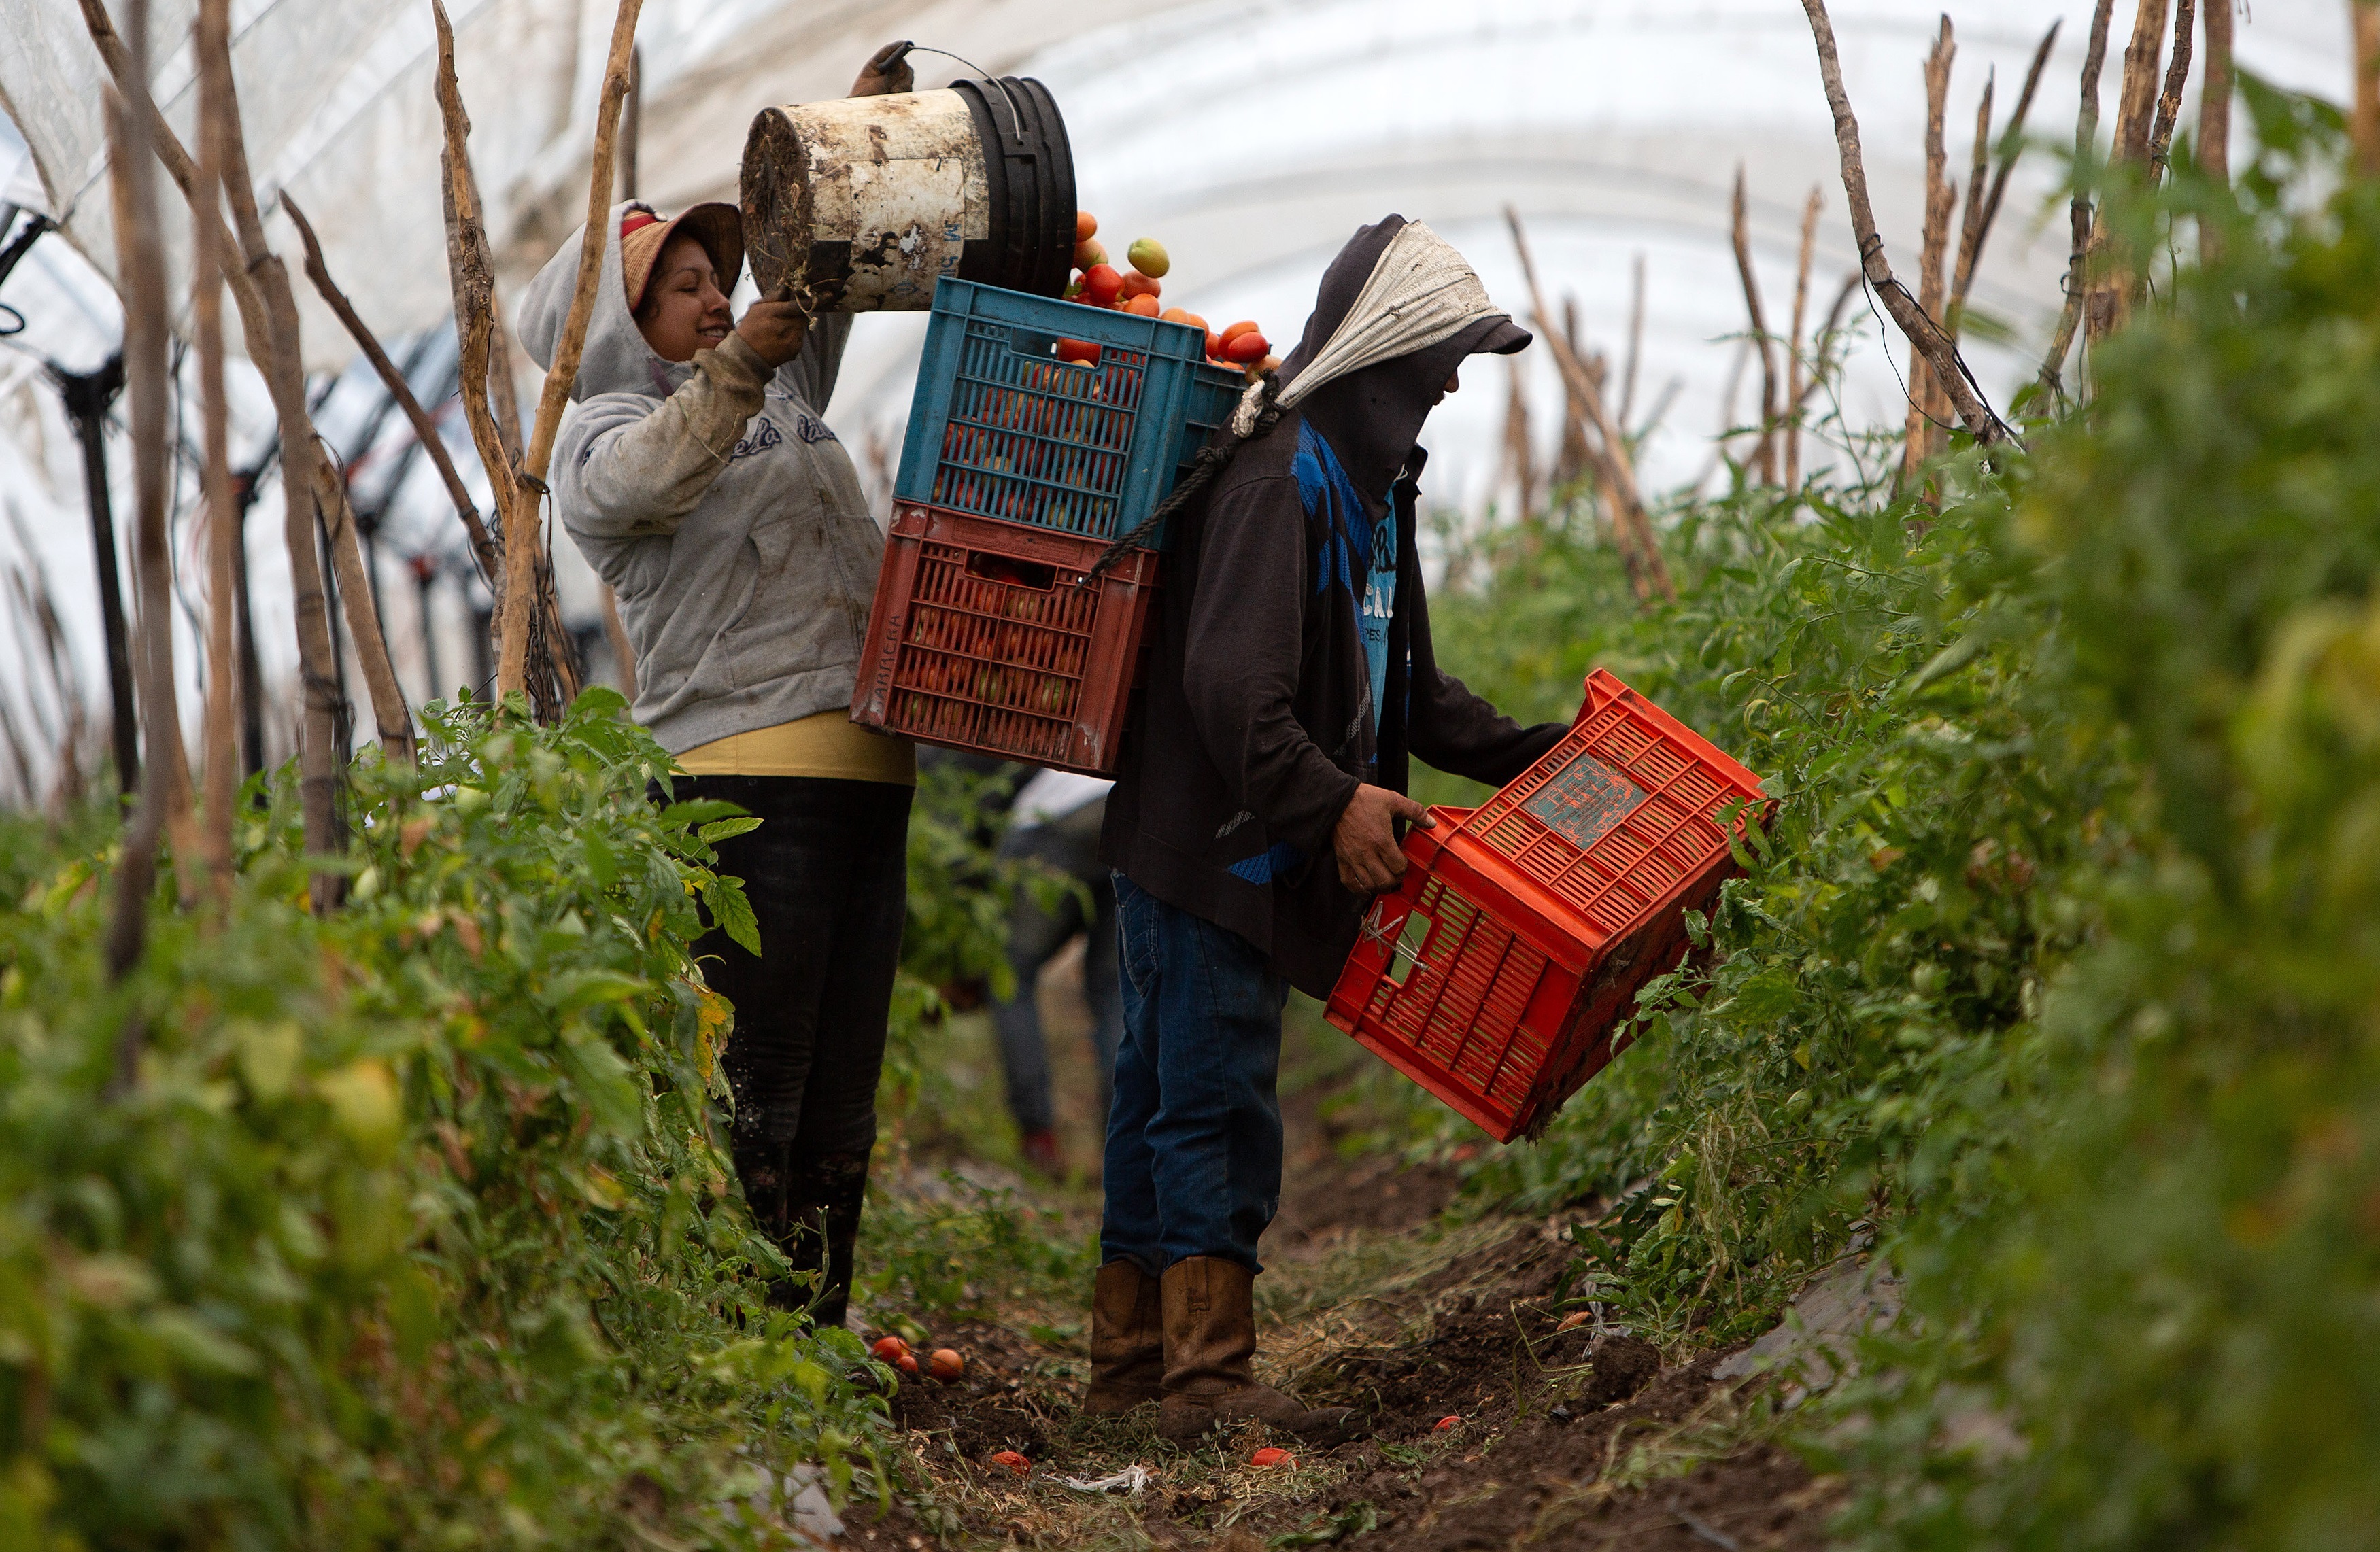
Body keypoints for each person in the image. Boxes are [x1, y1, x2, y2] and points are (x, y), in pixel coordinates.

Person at [1091, 217, 1569, 1441]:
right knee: (1207, 1094)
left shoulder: (1369, 491)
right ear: (1388, 353)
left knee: (1172, 1086)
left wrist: (1551, 753)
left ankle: (1135, 1362)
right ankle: (1201, 1377)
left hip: (1241, 837)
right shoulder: (1275, 481)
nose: (1458, 380)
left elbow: (1407, 688)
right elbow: (1229, 689)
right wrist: (1329, 799)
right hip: (1208, 842)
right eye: (1445, 357)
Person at [519, 45, 918, 1328]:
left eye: (715, 276)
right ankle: (758, 1352)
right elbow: (651, 478)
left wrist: (858, 141)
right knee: (768, 1073)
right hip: (747, 778)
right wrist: (737, 362)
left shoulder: (781, 382)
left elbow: (824, 282)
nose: (712, 296)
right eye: (677, 287)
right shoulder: (594, 444)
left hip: (869, 762)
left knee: (847, 1083)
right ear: (611, 331)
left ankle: (820, 1333)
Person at [991, 769, 1123, 1175]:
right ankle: (1123, 1148)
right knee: (1115, 990)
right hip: (1118, 808)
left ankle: (1039, 1138)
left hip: (1052, 822)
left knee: (1010, 977)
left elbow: (983, 802)